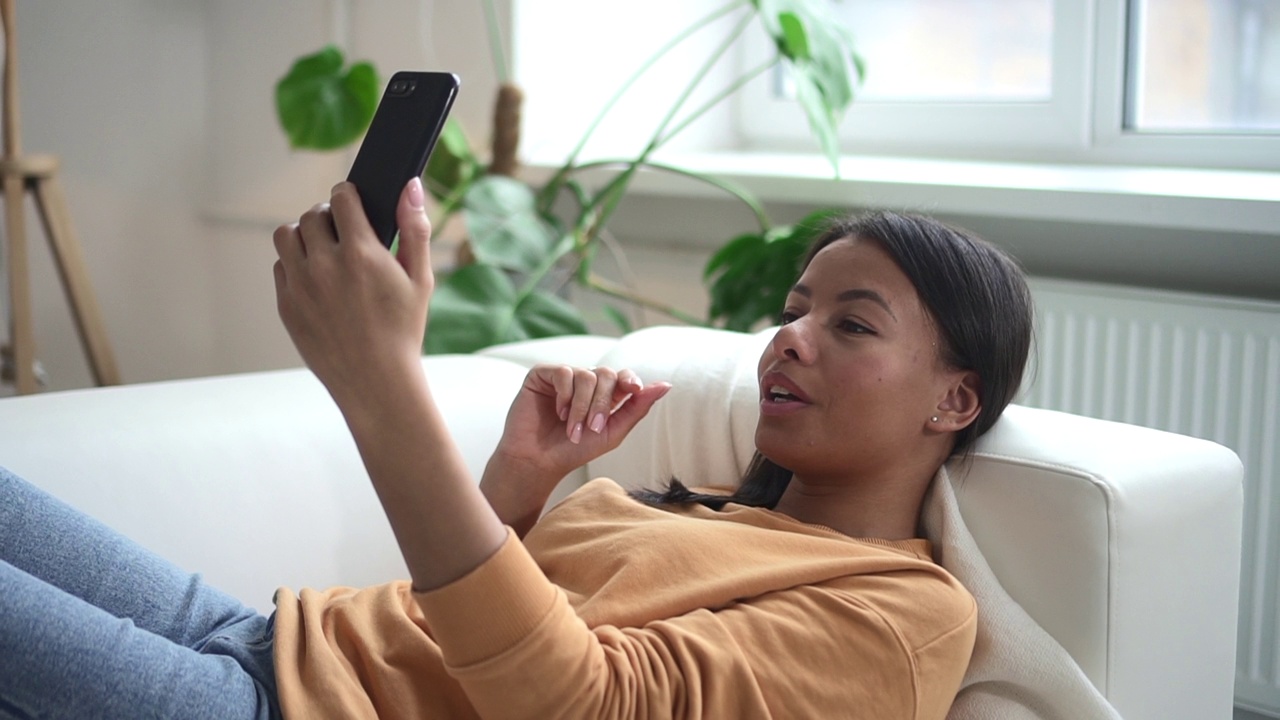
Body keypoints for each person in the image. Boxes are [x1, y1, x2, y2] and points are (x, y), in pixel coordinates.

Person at [0, 177, 1033, 719]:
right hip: (279, 641)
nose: (790, 337)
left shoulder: (903, 613)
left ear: (952, 399)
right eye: (794, 308)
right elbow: (456, 641)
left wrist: (380, 384)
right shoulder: (715, 505)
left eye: (849, 325)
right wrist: (517, 483)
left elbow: (582, 705)